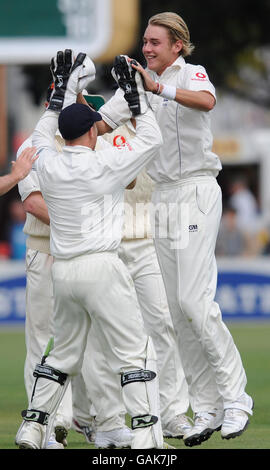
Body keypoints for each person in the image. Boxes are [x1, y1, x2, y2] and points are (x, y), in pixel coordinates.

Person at [97, 12, 253, 447]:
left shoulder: (189, 73)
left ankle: (236, 397)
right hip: (162, 198)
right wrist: (70, 106)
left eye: (154, 42)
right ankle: (206, 407)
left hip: (196, 190)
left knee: (193, 300)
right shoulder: (138, 83)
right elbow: (100, 127)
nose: (146, 48)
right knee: (173, 311)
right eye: (144, 41)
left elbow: (207, 102)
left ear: (176, 46)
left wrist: (157, 86)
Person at [16, 50, 165, 449]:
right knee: (134, 352)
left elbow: (38, 137)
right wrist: (135, 103)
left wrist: (58, 94)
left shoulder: (48, 162)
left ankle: (32, 426)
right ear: (89, 132)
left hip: (63, 271)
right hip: (102, 268)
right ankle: (147, 437)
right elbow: (153, 139)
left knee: (60, 355)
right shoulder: (106, 163)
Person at [71, 120, 192, 447]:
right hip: (107, 244)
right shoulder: (102, 129)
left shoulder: (160, 127)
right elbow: (122, 178)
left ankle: (172, 412)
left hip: (147, 241)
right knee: (100, 336)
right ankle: (107, 417)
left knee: (164, 324)